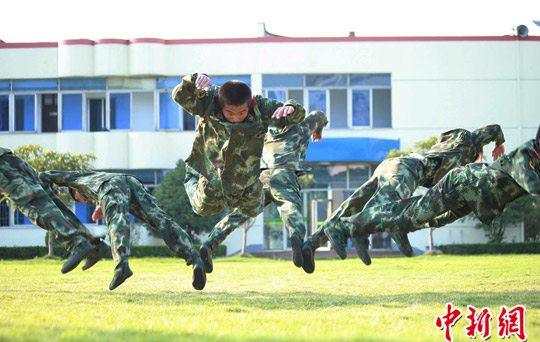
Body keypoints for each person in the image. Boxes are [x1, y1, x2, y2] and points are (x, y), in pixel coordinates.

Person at [302, 124, 506, 273]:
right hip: (409, 169)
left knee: (353, 204)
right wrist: (499, 145)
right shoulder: (468, 141)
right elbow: (494, 128)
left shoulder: (446, 149)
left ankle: (311, 243)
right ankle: (358, 230)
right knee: (388, 204)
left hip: (395, 165)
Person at [342, 125, 540, 243]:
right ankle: (348, 226)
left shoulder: (460, 146)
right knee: (410, 215)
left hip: (475, 196)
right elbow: (532, 184)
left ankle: (368, 225)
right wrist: (497, 143)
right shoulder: (525, 154)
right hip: (463, 183)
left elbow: (495, 130)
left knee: (431, 219)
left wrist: (499, 143)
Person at [198, 110, 328, 271]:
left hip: (263, 176)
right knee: (289, 207)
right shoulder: (300, 128)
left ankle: (209, 244)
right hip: (284, 175)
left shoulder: (266, 132)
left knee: (239, 214)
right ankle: (296, 239)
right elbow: (319, 114)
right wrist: (318, 130)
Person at [38, 170, 206, 291]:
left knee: (116, 223)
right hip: (130, 182)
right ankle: (194, 258)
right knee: (162, 220)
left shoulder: (74, 180)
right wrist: (100, 206)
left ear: (75, 191)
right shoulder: (93, 178)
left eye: (80, 198)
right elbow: (109, 188)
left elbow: (44, 175)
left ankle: (122, 266)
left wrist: (53, 191)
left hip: (111, 186)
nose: (84, 199)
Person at [172, 73, 306, 220]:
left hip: (246, 178)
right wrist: (194, 80)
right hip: (212, 174)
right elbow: (180, 96)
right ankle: (193, 176)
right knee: (203, 209)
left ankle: (263, 181)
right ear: (220, 104)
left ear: (249, 105)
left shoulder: (261, 107)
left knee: (253, 211)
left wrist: (291, 108)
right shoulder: (209, 100)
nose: (236, 118)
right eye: (230, 113)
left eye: (242, 112)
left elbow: (294, 118)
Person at [0, 147, 108, 273]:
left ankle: (76, 243)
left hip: (3, 169)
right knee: (51, 204)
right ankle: (93, 245)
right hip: (8, 158)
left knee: (34, 206)